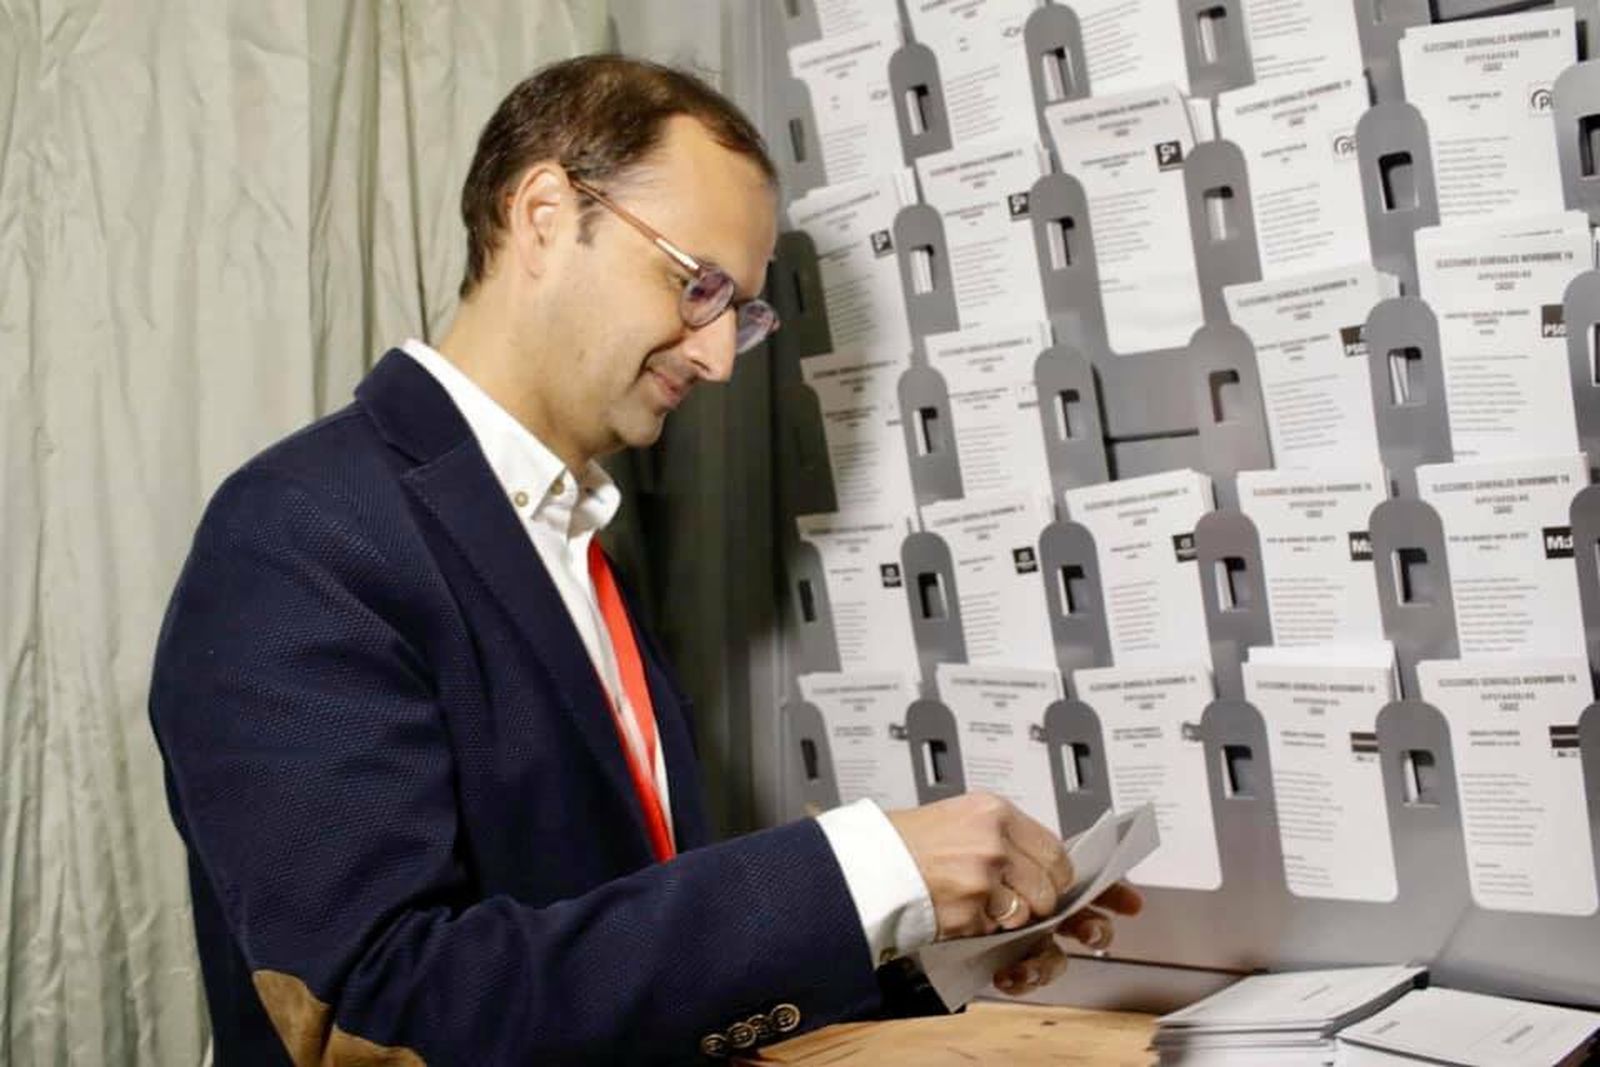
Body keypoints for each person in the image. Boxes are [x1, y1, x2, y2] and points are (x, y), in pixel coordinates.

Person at [148, 55, 1141, 1065]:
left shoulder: (570, 539)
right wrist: (856, 870)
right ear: (542, 212)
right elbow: (374, 1014)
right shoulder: (301, 529)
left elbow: (611, 966)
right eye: (695, 284)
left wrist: (922, 946)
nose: (715, 358)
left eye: (739, 314)